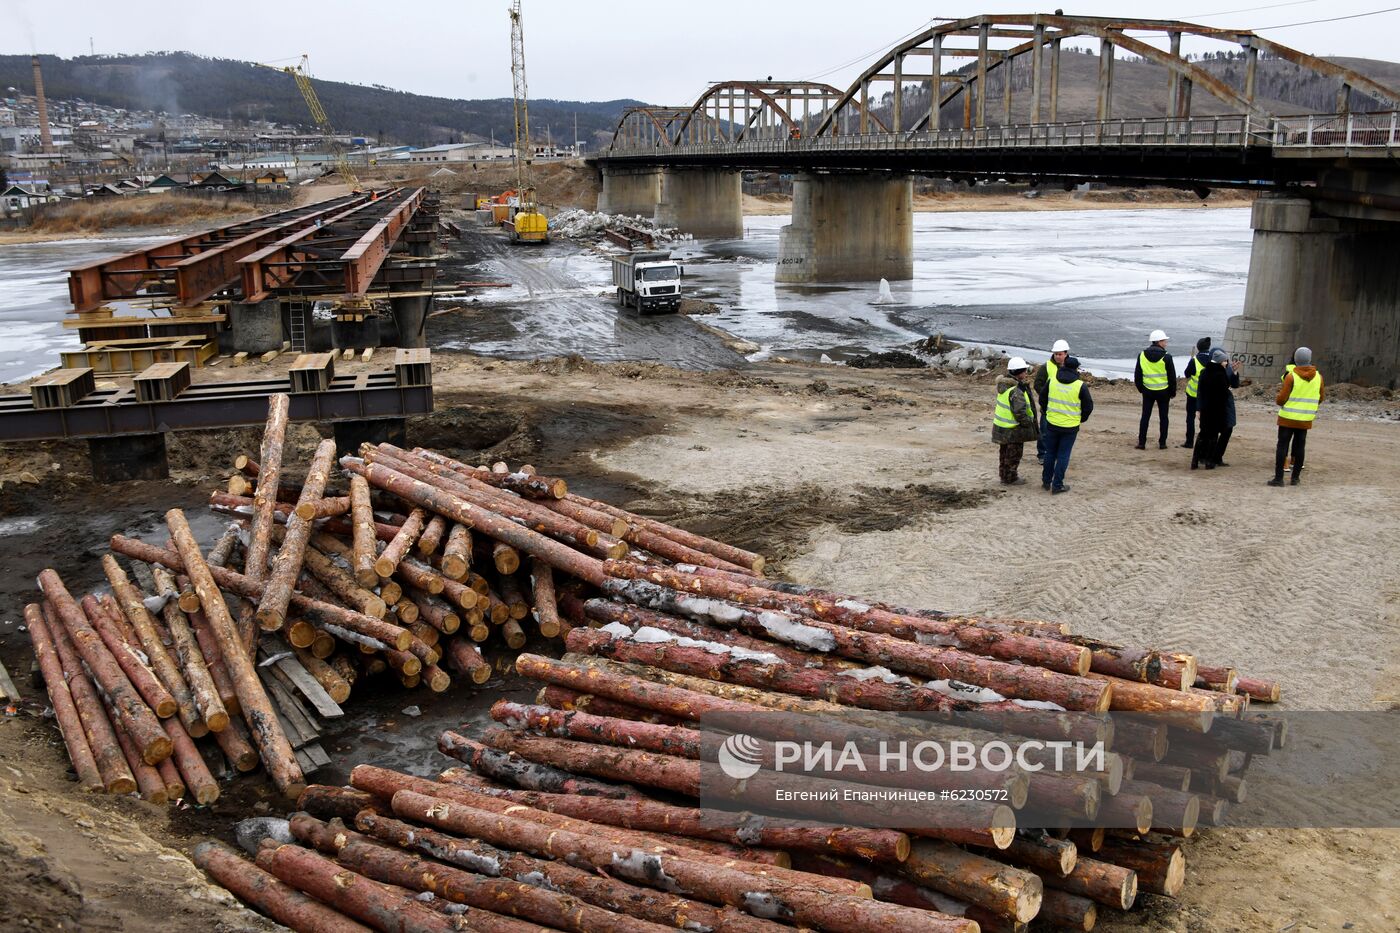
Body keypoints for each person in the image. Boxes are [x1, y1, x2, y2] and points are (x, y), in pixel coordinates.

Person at [1268, 347, 1323, 486]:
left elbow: (1281, 398)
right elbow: (1321, 397)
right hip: (1305, 419)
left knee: (1282, 446)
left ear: (1296, 360)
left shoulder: (1291, 376)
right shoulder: (1318, 377)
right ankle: (1295, 478)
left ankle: (1279, 478)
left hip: (1287, 418)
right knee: (1300, 447)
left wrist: (1280, 401)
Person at [1041, 356, 1093, 494]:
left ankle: (1046, 481)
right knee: (1063, 455)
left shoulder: (1052, 381)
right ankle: (1057, 485)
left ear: (1063, 365)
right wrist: (1081, 419)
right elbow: (1088, 406)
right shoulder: (1080, 385)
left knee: (1050, 452)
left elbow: (1042, 398)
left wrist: (1047, 412)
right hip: (1070, 426)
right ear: (1076, 369)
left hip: (1052, 422)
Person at [993, 357, 1038, 485]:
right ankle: (1010, 478)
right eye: (1024, 371)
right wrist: (1029, 422)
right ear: (1020, 372)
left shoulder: (1004, 386)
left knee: (1004, 453)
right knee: (1013, 455)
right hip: (1014, 428)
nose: (1026, 373)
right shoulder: (1016, 391)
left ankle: (1003, 475)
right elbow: (1020, 412)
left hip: (1002, 427)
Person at [1134, 329, 1176, 449]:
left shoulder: (1142, 355)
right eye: (1164, 341)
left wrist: (1141, 388)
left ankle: (1142, 443)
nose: (1166, 343)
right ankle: (1162, 443)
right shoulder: (1167, 357)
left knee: (1145, 417)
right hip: (1164, 391)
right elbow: (1171, 376)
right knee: (1164, 417)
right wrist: (1172, 392)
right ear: (1159, 341)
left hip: (1147, 390)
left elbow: (1138, 374)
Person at [1192, 348, 1232, 470]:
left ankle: (1195, 461)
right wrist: (1228, 390)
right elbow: (1224, 393)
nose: (1226, 363)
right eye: (1225, 361)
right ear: (1220, 361)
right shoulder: (1221, 374)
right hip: (1217, 410)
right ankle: (1209, 462)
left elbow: (1201, 391)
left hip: (1205, 408)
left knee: (1202, 434)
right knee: (1213, 436)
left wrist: (1199, 408)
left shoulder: (1204, 372)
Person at [1034, 339, 1070, 464]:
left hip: (1064, 407)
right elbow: (1038, 384)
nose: (1058, 357)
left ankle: (1056, 453)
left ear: (1066, 353)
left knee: (1061, 432)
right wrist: (1046, 397)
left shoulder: (1071, 367)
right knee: (1044, 431)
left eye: (1060, 354)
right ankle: (1042, 454)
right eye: (1056, 354)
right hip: (1048, 406)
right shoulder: (1046, 367)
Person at [1180, 337, 1212, 448]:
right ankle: (1205, 443)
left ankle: (1189, 442)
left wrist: (1190, 362)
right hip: (1208, 396)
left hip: (1193, 394)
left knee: (1190, 418)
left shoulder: (1194, 361)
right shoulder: (1214, 361)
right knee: (1207, 420)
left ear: (1198, 348)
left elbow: (1187, 374)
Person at [1216, 351, 1243, 465]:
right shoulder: (1211, 372)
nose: (1226, 362)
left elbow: (1235, 385)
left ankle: (1217, 457)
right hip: (1217, 404)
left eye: (1226, 360)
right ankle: (1209, 456)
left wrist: (1234, 372)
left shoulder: (1227, 369)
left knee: (1228, 429)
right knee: (1212, 432)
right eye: (1224, 361)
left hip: (1227, 404)